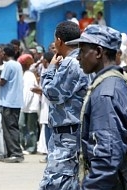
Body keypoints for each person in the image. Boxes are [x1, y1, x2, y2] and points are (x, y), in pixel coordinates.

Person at [66, 24, 127, 189]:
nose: (78, 57)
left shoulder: (106, 93)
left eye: (82, 51)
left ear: (98, 52)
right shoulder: (117, 81)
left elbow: (107, 157)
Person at [39, 21, 90, 190]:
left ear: (59, 41)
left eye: (55, 41)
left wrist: (50, 69)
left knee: (54, 184)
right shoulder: (81, 59)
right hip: (73, 133)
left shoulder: (71, 62)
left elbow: (52, 93)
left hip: (68, 137)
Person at [0, 44, 24, 163]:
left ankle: (16, 153)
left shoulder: (8, 65)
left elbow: (2, 82)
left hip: (8, 101)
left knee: (9, 129)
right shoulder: (17, 64)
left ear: (5, 54)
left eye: (1, 52)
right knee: (12, 128)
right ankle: (12, 152)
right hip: (16, 101)